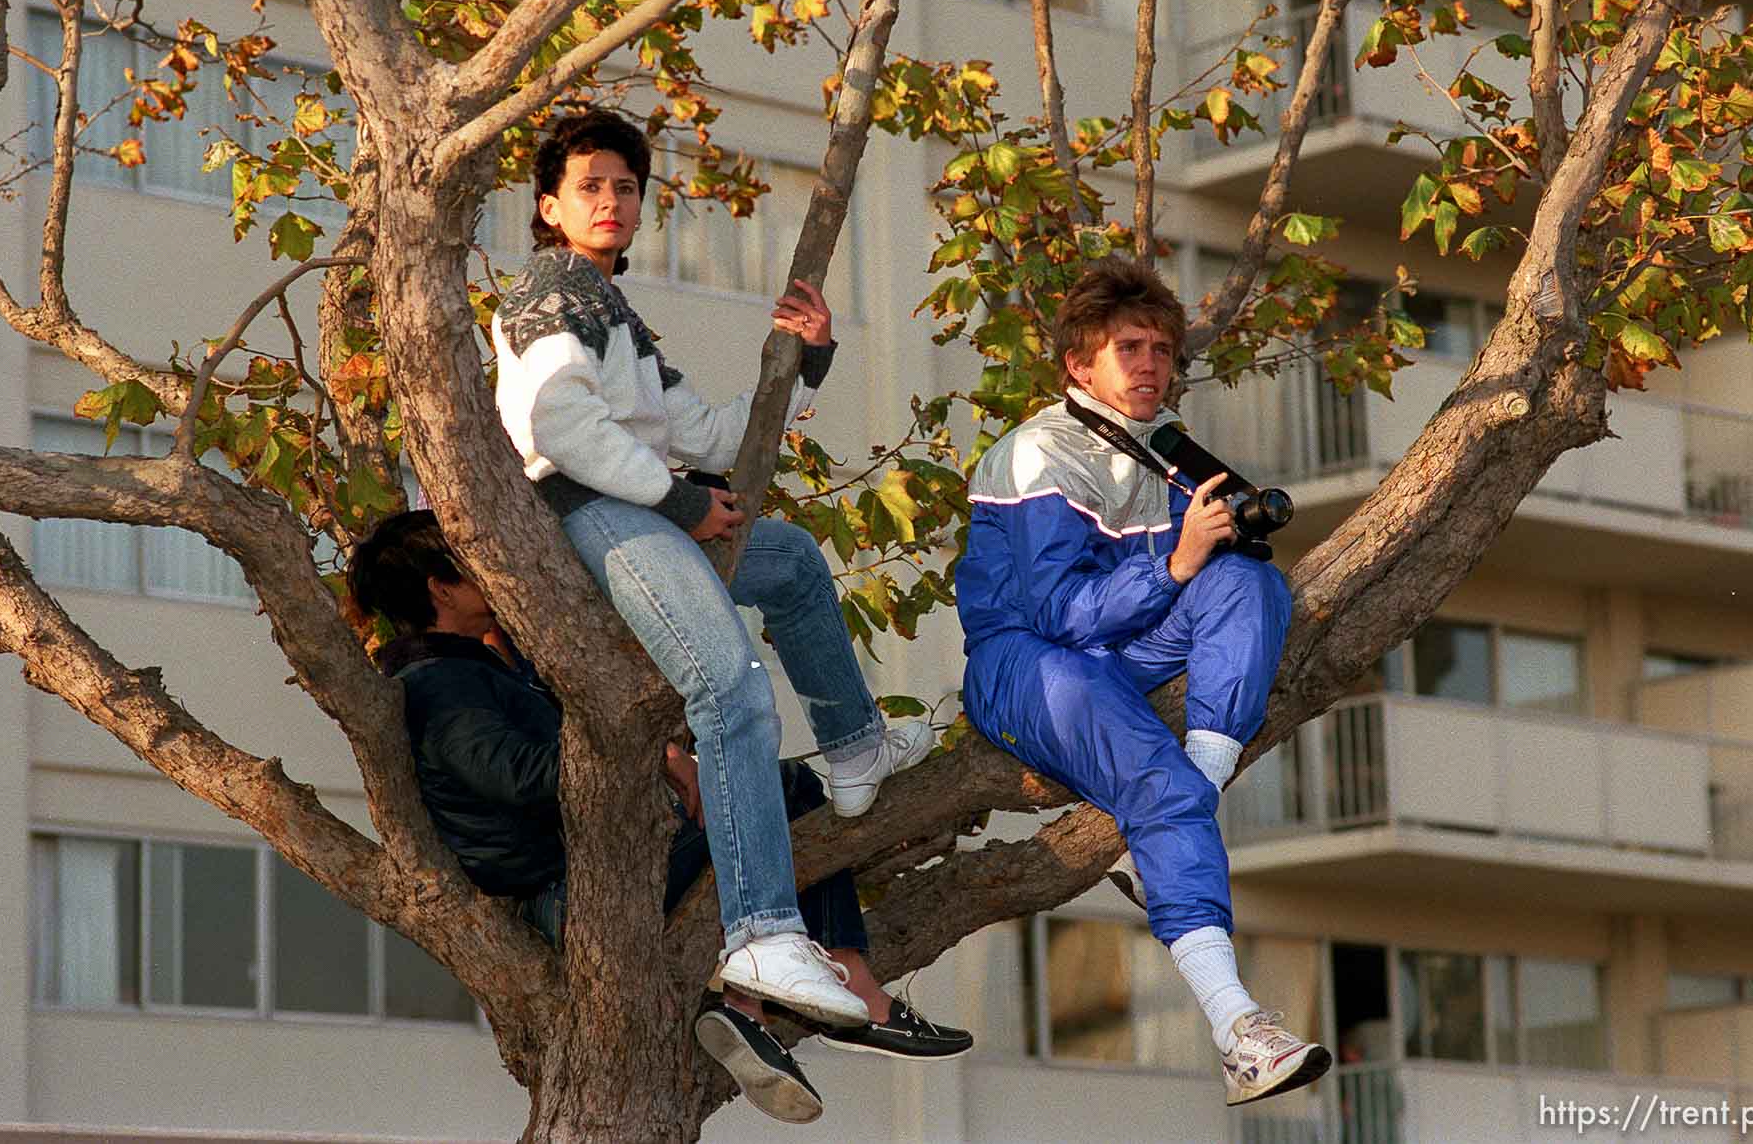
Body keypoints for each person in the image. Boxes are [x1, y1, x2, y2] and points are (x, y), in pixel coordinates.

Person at [488, 110, 942, 1067]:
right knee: (728, 689)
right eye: (589, 186)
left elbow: (712, 432)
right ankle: (765, 934)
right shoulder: (550, 290)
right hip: (585, 512)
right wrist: (680, 503)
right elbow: (559, 425)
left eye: (624, 186)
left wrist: (805, 359)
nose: (610, 202)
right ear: (548, 206)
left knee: (792, 562)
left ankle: (856, 749)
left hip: (640, 506)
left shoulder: (613, 310)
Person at [348, 512, 972, 1126]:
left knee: (773, 795)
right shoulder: (439, 683)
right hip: (564, 894)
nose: (497, 569)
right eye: (473, 562)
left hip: (583, 869)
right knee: (783, 790)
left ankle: (747, 1009)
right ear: (441, 587)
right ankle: (839, 984)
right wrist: (665, 759)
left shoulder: (480, 663)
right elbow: (518, 776)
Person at [955, 258, 1330, 1107]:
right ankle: (1238, 1029)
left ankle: (1186, 790)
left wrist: (1208, 549)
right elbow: (1056, 614)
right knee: (1156, 771)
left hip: (1117, 643)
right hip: (1024, 662)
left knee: (1251, 583)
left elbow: (1206, 580)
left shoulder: (1163, 447)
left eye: (1163, 348)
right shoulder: (1037, 452)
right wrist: (1178, 559)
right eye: (1130, 347)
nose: (1153, 363)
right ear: (1078, 366)